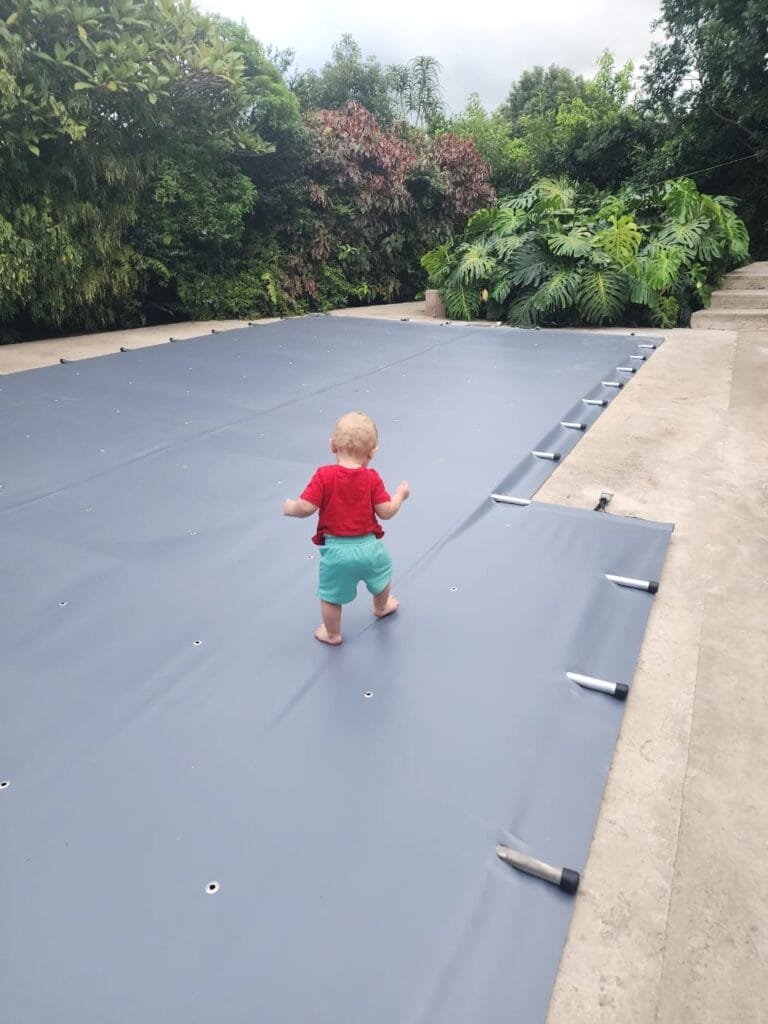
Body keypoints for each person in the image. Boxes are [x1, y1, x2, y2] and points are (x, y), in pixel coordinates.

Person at [283, 411, 409, 645]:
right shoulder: (372, 478)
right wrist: (400, 495)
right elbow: (386, 512)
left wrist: (290, 507)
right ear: (372, 452)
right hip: (371, 548)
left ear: (332, 446)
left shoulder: (324, 476)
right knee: (382, 576)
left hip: (337, 553)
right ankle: (381, 606)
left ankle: (332, 634)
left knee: (331, 596)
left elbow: (306, 507)